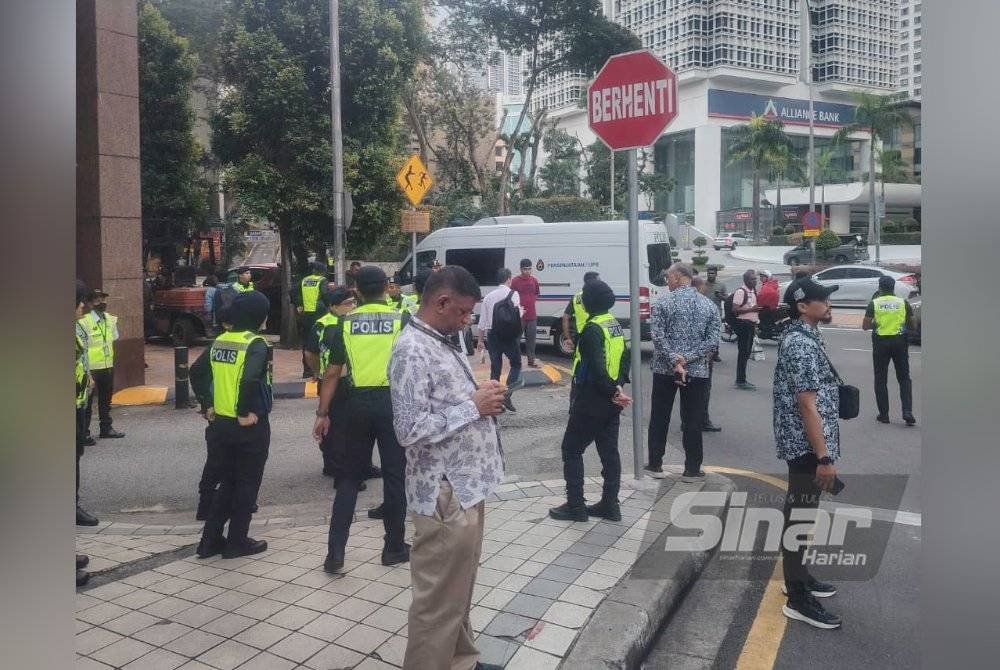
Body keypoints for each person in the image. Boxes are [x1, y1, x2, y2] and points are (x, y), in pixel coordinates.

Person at [388, 266, 507, 670]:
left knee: (458, 590)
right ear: (441, 303)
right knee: (437, 600)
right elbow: (409, 429)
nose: (468, 320)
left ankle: (460, 661)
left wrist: (481, 396)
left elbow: (452, 401)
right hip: (442, 494)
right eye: (463, 312)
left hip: (466, 487)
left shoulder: (443, 340)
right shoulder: (411, 349)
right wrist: (472, 406)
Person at [312, 266, 409, 573]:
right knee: (395, 476)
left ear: (356, 290)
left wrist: (322, 414)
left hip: (354, 404)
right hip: (392, 403)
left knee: (349, 478)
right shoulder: (403, 320)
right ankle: (393, 547)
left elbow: (331, 372)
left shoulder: (344, 323)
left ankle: (335, 554)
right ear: (387, 287)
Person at [773, 277, 842, 629]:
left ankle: (798, 578)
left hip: (808, 444)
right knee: (799, 518)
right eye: (823, 300)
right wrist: (824, 457)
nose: (828, 304)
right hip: (806, 446)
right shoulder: (799, 344)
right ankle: (798, 598)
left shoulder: (808, 336)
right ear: (803, 306)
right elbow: (806, 404)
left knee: (802, 516)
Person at [191, 291, 273, 559]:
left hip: (220, 426)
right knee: (247, 484)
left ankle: (209, 542)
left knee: (227, 483)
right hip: (247, 427)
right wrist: (243, 412)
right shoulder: (256, 344)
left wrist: (207, 405)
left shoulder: (221, 341)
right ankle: (237, 541)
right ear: (259, 316)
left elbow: (196, 371)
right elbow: (250, 379)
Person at [549, 280, 632, 521]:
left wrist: (611, 391)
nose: (581, 300)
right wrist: (618, 388)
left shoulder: (592, 330)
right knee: (609, 453)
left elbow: (595, 367)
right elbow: (624, 358)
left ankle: (575, 507)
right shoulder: (613, 324)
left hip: (591, 401)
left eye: (584, 297)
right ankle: (610, 505)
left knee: (571, 449)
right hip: (611, 401)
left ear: (589, 302)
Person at [645, 263, 721, 482]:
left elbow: (657, 337)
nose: (667, 282)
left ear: (678, 277)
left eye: (668, 277)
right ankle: (692, 469)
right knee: (693, 419)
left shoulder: (663, 303)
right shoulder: (708, 305)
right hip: (696, 370)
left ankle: (655, 464)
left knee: (660, 416)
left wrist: (674, 360)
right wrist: (688, 358)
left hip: (664, 370)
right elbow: (712, 340)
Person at [304, 287, 356, 476]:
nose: (352, 306)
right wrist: (318, 372)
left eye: (353, 302)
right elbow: (310, 353)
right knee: (332, 426)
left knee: (349, 426)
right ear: (333, 307)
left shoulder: (352, 322)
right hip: (332, 380)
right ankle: (334, 466)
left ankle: (356, 465)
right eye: (347, 304)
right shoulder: (324, 324)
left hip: (349, 380)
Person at [863, 276, 916, 425]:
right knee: (904, 378)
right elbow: (913, 325)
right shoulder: (903, 302)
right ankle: (907, 412)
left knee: (880, 379)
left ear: (879, 288)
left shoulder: (874, 303)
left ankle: (884, 415)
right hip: (900, 343)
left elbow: (865, 325)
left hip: (881, 343)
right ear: (893, 288)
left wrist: (878, 325)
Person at [79, 289, 126, 440]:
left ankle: (106, 428)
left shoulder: (111, 320)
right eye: (98, 301)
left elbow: (113, 339)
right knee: (87, 403)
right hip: (91, 368)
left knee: (106, 401)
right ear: (90, 304)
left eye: (103, 300)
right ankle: (84, 433)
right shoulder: (84, 322)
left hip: (107, 366)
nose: (102, 303)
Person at [477, 268, 522, 412]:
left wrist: (480, 340)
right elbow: (517, 316)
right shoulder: (514, 294)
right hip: (509, 336)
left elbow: (482, 321)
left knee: (495, 368)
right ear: (509, 279)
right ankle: (507, 394)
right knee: (516, 364)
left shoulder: (489, 296)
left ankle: (494, 402)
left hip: (492, 335)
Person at [75, 282, 99, 527]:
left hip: (78, 402)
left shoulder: (77, 328)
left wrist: (88, 377)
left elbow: (81, 360)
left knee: (75, 454)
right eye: (80, 302)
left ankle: (73, 503)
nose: (83, 306)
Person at [732, 269, 763, 390]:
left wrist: (755, 323)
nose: (755, 281)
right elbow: (735, 310)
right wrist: (751, 310)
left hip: (750, 325)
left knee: (747, 353)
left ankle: (741, 379)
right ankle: (740, 381)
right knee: (743, 353)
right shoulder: (741, 292)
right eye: (752, 279)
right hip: (743, 325)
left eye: (755, 279)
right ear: (746, 280)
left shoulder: (752, 291)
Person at [296, 261, 328, 377]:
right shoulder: (322, 280)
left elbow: (295, 293)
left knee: (306, 342)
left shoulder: (305, 280)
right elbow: (324, 295)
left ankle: (306, 370)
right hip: (319, 314)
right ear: (323, 272)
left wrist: (299, 306)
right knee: (319, 340)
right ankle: (318, 368)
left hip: (306, 315)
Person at [510, 258, 541, 367]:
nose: (527, 271)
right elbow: (511, 296)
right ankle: (515, 361)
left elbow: (536, 294)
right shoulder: (515, 281)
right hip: (519, 316)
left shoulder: (534, 281)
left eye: (529, 269)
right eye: (525, 269)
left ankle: (531, 361)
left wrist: (530, 302)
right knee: (516, 340)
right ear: (521, 269)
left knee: (531, 340)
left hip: (532, 316)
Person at [561, 271, 600, 350]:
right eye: (599, 280)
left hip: (580, 336)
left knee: (580, 360)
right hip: (597, 334)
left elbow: (565, 318)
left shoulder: (576, 297)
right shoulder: (599, 295)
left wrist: (567, 338)